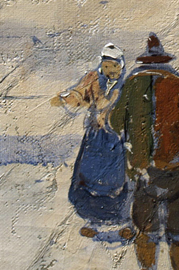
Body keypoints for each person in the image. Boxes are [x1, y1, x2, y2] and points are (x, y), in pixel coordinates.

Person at [110, 34, 179, 270]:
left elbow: (115, 122)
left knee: (146, 225)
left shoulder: (131, 84)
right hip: (177, 166)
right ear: (164, 60)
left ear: (144, 61)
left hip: (143, 168)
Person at [52, 43, 132, 239]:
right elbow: (79, 94)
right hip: (96, 138)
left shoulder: (128, 85)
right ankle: (93, 220)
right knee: (89, 178)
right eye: (107, 65)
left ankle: (124, 221)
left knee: (118, 180)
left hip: (118, 140)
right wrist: (64, 99)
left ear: (121, 66)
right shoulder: (93, 79)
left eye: (115, 66)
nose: (111, 70)